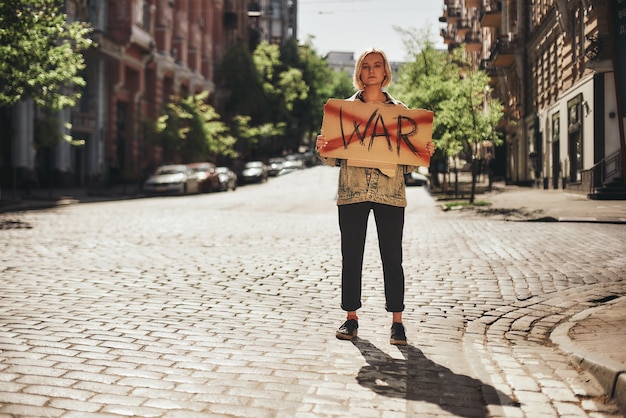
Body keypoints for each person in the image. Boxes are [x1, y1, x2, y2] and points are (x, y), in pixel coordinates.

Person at [316, 48, 435, 346]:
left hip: (390, 194)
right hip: (352, 192)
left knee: (392, 257)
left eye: (377, 65)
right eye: (366, 65)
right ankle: (351, 317)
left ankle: (397, 323)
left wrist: (423, 153)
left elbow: (406, 165)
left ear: (385, 72)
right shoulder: (342, 112)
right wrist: (323, 148)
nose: (371, 70)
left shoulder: (401, 111)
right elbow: (333, 159)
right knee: (351, 256)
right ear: (359, 72)